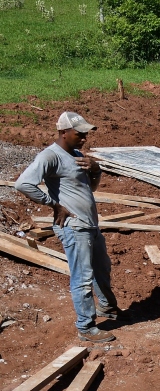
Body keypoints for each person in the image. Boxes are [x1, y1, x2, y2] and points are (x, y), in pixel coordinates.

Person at [15, 111, 123, 343]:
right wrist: (54, 205)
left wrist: (95, 170)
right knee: (82, 277)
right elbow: (23, 183)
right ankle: (86, 327)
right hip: (74, 227)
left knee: (102, 268)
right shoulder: (50, 156)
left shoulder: (76, 156)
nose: (84, 138)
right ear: (64, 132)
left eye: (85, 134)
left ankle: (107, 307)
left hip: (90, 225)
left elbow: (90, 189)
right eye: (79, 134)